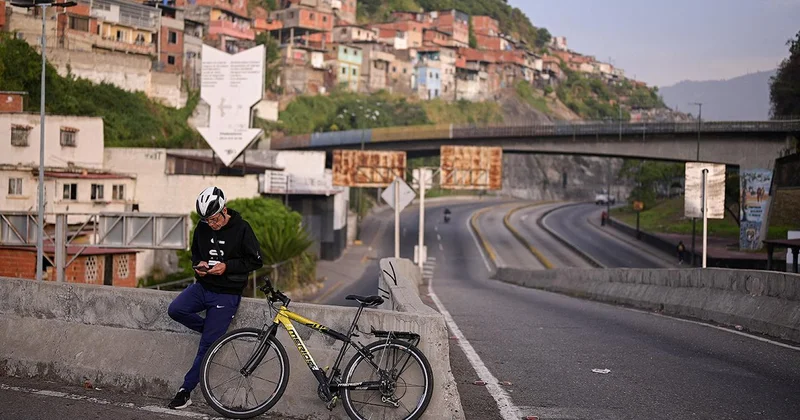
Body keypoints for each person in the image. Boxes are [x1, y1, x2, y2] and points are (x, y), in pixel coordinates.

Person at [167, 186, 263, 410]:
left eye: (214, 219)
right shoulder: (202, 228)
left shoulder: (242, 228)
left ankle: (185, 390)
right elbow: (196, 254)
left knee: (206, 347)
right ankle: (214, 332)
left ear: (224, 210)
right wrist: (197, 267)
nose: (211, 224)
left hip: (227, 293)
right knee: (176, 309)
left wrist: (227, 267)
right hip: (203, 286)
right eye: (207, 220)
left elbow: (255, 260)